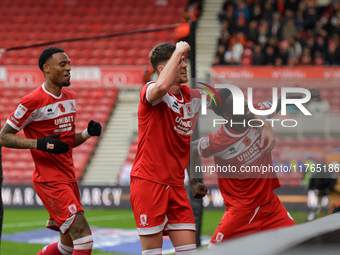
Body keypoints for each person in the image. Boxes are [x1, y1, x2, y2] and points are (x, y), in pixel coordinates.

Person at [129, 41, 276, 255]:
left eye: (184, 61)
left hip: (177, 187)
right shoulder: (150, 94)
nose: (184, 65)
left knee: (190, 251)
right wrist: (179, 48)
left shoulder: (194, 97)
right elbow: (161, 87)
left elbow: (232, 104)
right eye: (179, 62)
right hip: (149, 183)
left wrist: (264, 123)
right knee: (152, 252)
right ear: (162, 69)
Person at [0, 47, 102, 255]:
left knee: (68, 246)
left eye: (69, 64)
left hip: (68, 178)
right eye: (62, 64)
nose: (68, 68)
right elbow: (3, 136)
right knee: (85, 240)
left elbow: (64, 143)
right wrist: (40, 144)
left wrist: (86, 134)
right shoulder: (31, 101)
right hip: (50, 181)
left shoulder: (70, 98)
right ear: (46, 68)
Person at [191, 87, 320, 248]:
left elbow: (281, 99)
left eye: (242, 99)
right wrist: (193, 181)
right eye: (237, 103)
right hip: (241, 212)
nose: (244, 103)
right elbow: (192, 149)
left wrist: (305, 94)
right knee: (213, 252)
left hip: (270, 206)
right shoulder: (218, 141)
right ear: (227, 115)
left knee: (299, 247)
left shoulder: (257, 112)